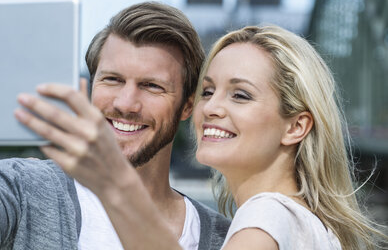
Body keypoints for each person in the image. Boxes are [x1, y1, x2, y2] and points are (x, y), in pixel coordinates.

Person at [0, 2, 230, 249]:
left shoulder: (223, 237)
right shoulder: (25, 189)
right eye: (112, 80)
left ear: (188, 105)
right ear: (88, 86)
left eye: (151, 86)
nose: (126, 103)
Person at [22, 25, 387, 249]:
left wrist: (117, 186)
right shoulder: (308, 224)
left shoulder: (267, 217)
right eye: (208, 91)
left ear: (296, 127)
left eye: (240, 94)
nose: (210, 108)